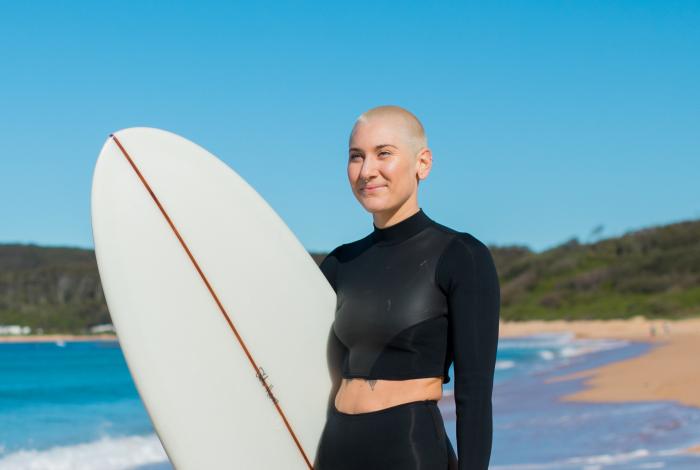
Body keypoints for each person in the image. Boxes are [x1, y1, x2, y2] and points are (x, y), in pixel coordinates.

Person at [314, 105, 501, 470]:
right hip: (335, 451)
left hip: (409, 451)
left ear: (423, 164)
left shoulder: (461, 256)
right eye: (356, 157)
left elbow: (474, 392)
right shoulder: (340, 264)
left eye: (384, 153)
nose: (367, 171)